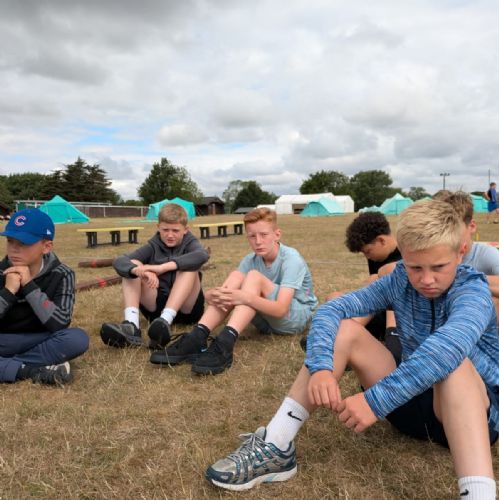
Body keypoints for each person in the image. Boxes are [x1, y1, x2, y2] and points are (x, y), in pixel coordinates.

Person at [206, 200, 499, 499]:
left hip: (471, 417)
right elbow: (332, 309)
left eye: (439, 267)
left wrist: (376, 401)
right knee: (345, 330)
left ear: (461, 252)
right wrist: (321, 366)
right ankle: (277, 444)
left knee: (454, 364)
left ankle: (479, 494)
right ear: (404, 255)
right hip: (409, 405)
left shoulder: (473, 290)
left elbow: (445, 349)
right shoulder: (399, 279)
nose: (426, 279)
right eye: (415, 267)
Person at [150, 207, 318, 375]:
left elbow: (281, 309)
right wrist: (211, 295)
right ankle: (197, 337)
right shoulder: (250, 259)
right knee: (237, 276)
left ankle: (225, 343)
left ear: (277, 234)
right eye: (252, 236)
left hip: (294, 319)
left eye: (264, 235)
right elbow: (232, 292)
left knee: (253, 277)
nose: (258, 241)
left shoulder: (291, 259)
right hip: (266, 323)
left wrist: (245, 298)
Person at [100, 203, 209, 349]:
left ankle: (166, 321)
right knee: (133, 264)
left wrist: (161, 268)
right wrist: (139, 271)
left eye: (175, 230)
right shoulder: (153, 245)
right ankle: (131, 326)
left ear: (185, 230)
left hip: (188, 310)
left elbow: (202, 255)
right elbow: (120, 261)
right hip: (156, 309)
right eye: (165, 230)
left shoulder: (191, 243)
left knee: (189, 267)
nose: (170, 235)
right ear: (158, 227)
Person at [0, 208, 89, 385]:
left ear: (46, 246)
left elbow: (60, 322)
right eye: (10, 241)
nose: (14, 249)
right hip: (4, 339)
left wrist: (29, 286)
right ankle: (31, 370)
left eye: (23, 243)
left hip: (40, 339)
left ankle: (10, 366)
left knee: (77, 339)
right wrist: (8, 291)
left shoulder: (62, 274)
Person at [324, 211, 401, 342]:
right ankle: (332, 333)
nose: (367, 257)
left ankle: (333, 337)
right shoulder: (376, 257)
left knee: (374, 283)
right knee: (333, 297)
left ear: (381, 240)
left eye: (368, 251)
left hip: (394, 319)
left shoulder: (407, 258)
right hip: (375, 313)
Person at [437, 191, 499, 316]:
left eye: (453, 229)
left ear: (472, 226)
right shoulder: (431, 256)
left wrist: (465, 280)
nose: (447, 236)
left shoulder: (488, 256)